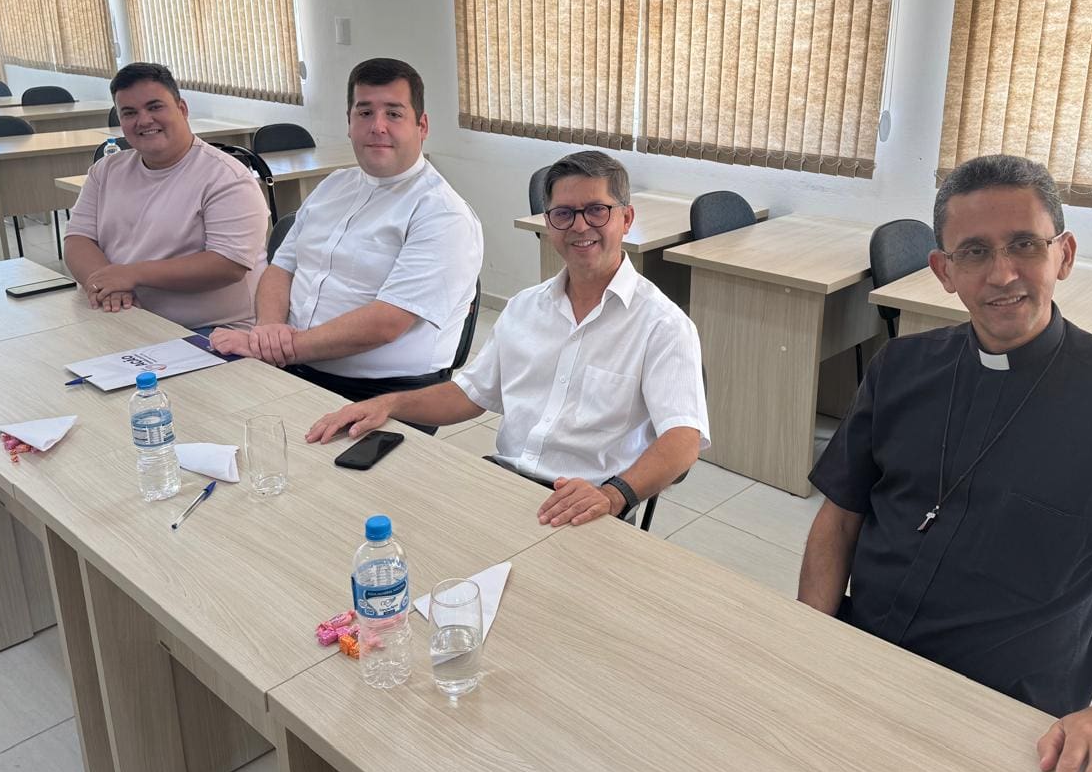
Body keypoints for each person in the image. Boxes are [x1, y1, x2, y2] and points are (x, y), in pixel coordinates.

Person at [797, 154, 1092, 772]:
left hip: (1009, 715)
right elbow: (839, 516)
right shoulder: (900, 367)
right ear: (944, 271)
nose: (1002, 274)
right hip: (859, 661)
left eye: (1025, 244)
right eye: (974, 252)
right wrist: (806, 636)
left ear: (1063, 255)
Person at [305, 150, 709, 527]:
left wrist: (614, 494)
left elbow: (683, 439)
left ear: (626, 218)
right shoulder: (524, 308)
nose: (580, 226)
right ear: (548, 223)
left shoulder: (663, 325)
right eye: (563, 213)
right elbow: (470, 395)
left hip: (589, 506)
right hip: (502, 485)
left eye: (596, 210)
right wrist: (389, 403)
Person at [209, 58, 482, 402]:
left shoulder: (442, 214)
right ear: (349, 123)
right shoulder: (333, 186)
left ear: (421, 125)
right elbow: (281, 268)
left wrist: (277, 347)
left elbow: (387, 323)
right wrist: (267, 331)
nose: (377, 126)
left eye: (394, 114)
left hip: (381, 395)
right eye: (364, 113)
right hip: (292, 365)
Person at [64, 62, 269, 332]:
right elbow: (78, 239)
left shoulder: (226, 176)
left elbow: (227, 265)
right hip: (125, 315)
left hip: (213, 329)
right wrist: (106, 284)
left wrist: (130, 275)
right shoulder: (106, 171)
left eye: (154, 107)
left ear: (182, 109)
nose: (144, 120)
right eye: (129, 113)